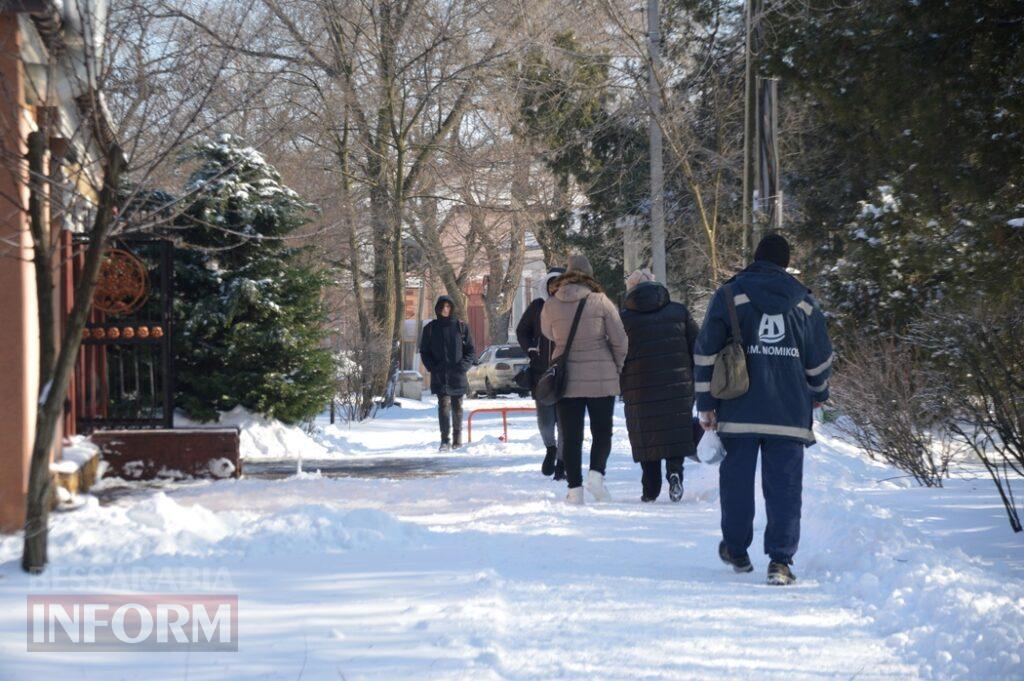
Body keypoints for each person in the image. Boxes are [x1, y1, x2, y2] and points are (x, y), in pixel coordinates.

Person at [693, 233, 834, 586]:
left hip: (738, 408)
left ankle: (737, 550)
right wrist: (819, 392)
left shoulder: (729, 296)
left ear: (755, 258)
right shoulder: (804, 303)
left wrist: (706, 404)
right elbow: (818, 361)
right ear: (786, 264)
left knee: (736, 481)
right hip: (789, 413)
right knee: (785, 486)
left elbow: (706, 352)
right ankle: (781, 562)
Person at [541, 254, 628, 504]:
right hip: (601, 376)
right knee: (602, 431)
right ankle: (597, 476)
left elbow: (549, 332)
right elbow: (620, 339)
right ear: (589, 275)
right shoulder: (600, 301)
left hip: (565, 378)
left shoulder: (551, 303)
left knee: (571, 434)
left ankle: (574, 489)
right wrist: (617, 366)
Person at [619, 268, 700, 503]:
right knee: (675, 430)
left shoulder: (624, 319)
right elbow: (697, 345)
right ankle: (675, 472)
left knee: (647, 434)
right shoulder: (679, 312)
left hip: (639, 386)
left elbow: (617, 354)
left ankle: (650, 487)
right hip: (678, 384)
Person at [515, 267, 567, 479]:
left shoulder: (572, 307)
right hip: (541, 373)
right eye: (551, 284)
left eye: (560, 284)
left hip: (566, 371)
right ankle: (550, 448)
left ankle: (562, 462)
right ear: (545, 286)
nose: (555, 289)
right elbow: (521, 331)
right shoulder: (537, 306)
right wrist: (531, 348)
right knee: (546, 421)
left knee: (565, 422)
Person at [419, 295, 476, 452]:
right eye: (443, 307)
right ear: (438, 309)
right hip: (440, 375)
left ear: (452, 308)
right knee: (443, 406)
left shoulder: (461, 327)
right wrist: (433, 367)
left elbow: (470, 350)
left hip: (457, 375)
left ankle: (458, 440)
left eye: (448, 307)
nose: (446, 309)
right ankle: (445, 440)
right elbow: (424, 352)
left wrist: (463, 366)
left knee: (457, 407)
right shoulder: (430, 329)